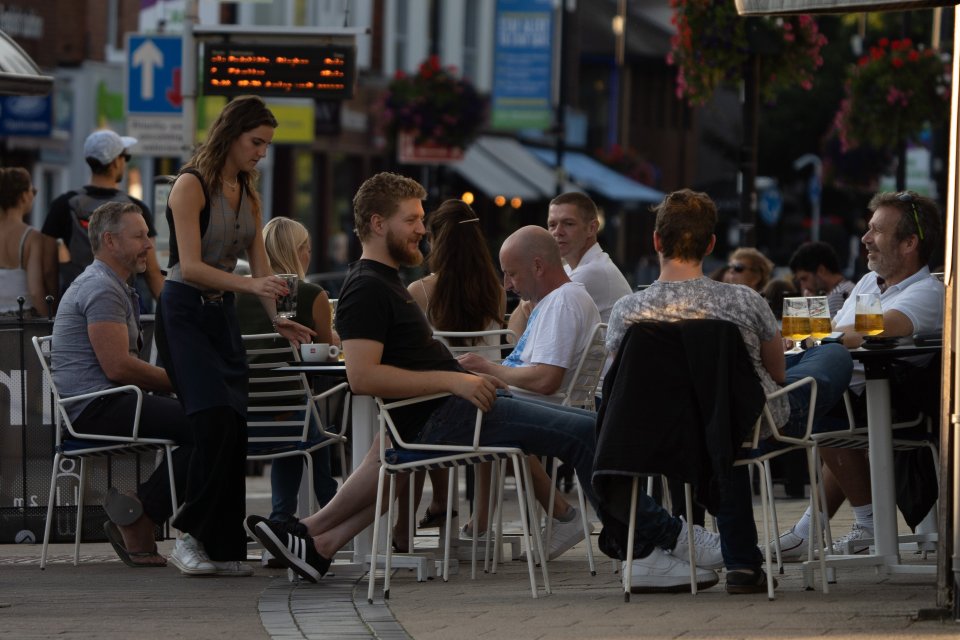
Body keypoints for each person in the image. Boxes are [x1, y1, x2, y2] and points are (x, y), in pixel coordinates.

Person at [247, 172, 720, 588]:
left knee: (593, 428)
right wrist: (454, 382)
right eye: (411, 220)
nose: (421, 230)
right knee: (588, 432)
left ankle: (314, 541)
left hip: (447, 411)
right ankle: (654, 545)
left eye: (421, 219)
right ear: (376, 223)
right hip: (448, 413)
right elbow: (362, 375)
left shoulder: (384, 280)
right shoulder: (368, 286)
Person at [606, 188, 852, 593]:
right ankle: (742, 562)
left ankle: (741, 561)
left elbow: (618, 383)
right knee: (833, 356)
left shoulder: (627, 312)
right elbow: (775, 371)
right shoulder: (743, 300)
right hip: (750, 425)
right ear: (712, 244)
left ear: (656, 241)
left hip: (664, 433)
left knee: (723, 418)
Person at [157, 96, 313, 577]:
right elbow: (191, 265)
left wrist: (277, 318)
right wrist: (250, 285)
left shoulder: (248, 192)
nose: (262, 153)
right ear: (231, 134)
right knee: (211, 422)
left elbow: (263, 268)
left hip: (221, 313)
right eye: (256, 142)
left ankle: (221, 548)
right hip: (184, 309)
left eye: (266, 144)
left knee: (235, 426)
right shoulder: (190, 185)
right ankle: (186, 537)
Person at [774, 191, 944, 559]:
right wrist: (809, 337)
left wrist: (814, 337)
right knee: (819, 394)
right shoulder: (869, 283)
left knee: (816, 395)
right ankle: (836, 529)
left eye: (877, 231)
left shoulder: (928, 292)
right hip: (856, 395)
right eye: (868, 229)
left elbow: (872, 331)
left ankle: (850, 527)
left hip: (898, 402)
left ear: (909, 243)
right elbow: (836, 330)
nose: (866, 238)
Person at [51, 202, 191, 569]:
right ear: (110, 241)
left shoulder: (113, 285)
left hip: (103, 402)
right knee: (209, 423)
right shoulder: (101, 289)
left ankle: (145, 514)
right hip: (97, 407)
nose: (148, 243)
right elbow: (118, 367)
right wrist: (182, 383)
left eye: (147, 234)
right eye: (140, 236)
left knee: (212, 422)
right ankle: (142, 517)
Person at [458, 225, 601, 557]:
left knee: (437, 415)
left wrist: (487, 369)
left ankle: (444, 524)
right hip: (532, 404)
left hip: (537, 407)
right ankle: (485, 526)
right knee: (466, 404)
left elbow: (546, 380)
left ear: (538, 266)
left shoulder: (563, 302)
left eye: (512, 274)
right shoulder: (557, 300)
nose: (507, 284)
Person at [395, 199, 506, 550]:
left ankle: (402, 528)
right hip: (490, 404)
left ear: (437, 242)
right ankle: (482, 521)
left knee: (410, 420)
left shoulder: (420, 292)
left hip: (440, 407)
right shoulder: (497, 293)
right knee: (482, 429)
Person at [236, 216, 339, 524]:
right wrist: (335, 338)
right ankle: (328, 510)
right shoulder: (310, 293)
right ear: (299, 251)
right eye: (306, 247)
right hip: (288, 418)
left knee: (305, 418)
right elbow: (325, 357)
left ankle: (285, 518)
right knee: (311, 424)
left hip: (239, 415)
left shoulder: (237, 294)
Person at [41, 130, 164, 308]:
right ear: (115, 162)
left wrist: (53, 310)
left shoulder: (63, 205)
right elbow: (152, 272)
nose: (125, 163)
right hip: (122, 302)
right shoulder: (135, 209)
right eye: (125, 157)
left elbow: (47, 269)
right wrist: (172, 315)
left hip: (77, 302)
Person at [509, 192, 631, 335]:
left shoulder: (592, 272)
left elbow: (523, 335)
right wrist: (530, 299)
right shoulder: (569, 270)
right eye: (552, 225)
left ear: (592, 228)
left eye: (568, 224)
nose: (557, 232)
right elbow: (513, 335)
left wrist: (531, 296)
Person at [0, 167, 49, 317]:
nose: (33, 195)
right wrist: (49, 320)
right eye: (31, 190)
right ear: (23, 196)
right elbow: (34, 291)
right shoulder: (31, 237)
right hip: (21, 319)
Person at [788, 241, 855, 317]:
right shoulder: (845, 287)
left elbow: (820, 328)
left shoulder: (837, 296)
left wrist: (811, 305)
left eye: (804, 279)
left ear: (821, 270)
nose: (803, 286)